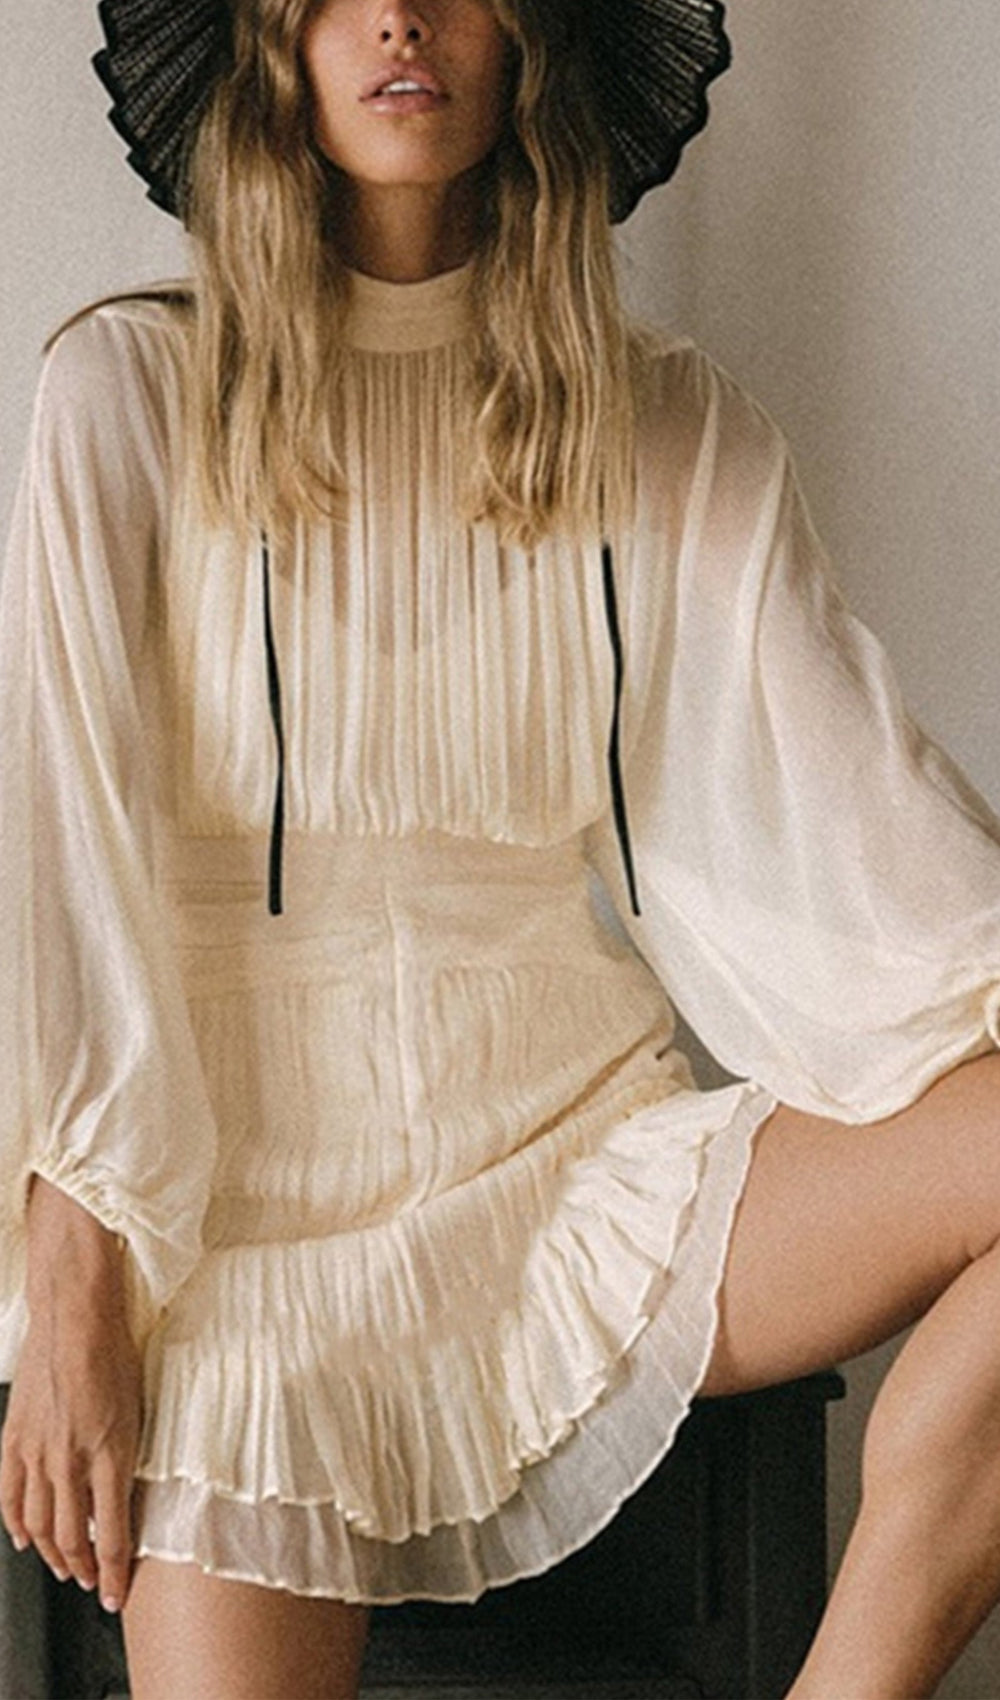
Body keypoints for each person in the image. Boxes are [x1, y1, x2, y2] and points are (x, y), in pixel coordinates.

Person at [1, 1, 999, 1696]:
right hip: (236, 1237)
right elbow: (65, 867)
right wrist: (72, 1272)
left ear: (537, 34)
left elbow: (856, 824)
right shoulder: (127, 394)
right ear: (272, 38)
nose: (403, 16)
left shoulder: (665, 422)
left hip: (576, 1170)